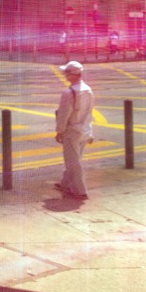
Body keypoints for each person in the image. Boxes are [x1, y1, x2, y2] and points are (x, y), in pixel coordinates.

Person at [54, 60, 96, 200]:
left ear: (73, 75)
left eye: (66, 73)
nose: (65, 76)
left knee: (72, 162)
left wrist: (59, 131)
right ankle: (65, 183)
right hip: (84, 129)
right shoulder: (88, 90)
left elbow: (64, 114)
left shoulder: (69, 92)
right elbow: (90, 112)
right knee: (75, 159)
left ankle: (80, 191)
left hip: (72, 131)